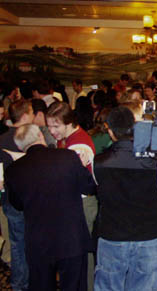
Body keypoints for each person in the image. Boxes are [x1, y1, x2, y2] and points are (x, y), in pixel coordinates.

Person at [5, 124, 96, 291]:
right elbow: (89, 188)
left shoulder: (13, 171)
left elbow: (17, 205)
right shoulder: (68, 157)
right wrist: (82, 167)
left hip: (38, 241)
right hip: (71, 238)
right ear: (41, 136)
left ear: (19, 146)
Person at [93, 106, 157, 291]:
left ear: (109, 130)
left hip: (113, 233)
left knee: (109, 286)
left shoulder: (99, 161)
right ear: (134, 127)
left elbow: (96, 189)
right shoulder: (153, 159)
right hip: (148, 232)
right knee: (145, 285)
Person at [46, 101, 97, 291]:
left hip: (82, 204)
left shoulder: (79, 145)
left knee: (83, 254)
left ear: (69, 123)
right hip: (74, 202)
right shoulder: (66, 138)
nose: (51, 131)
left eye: (55, 126)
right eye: (49, 126)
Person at [0, 99, 35, 291]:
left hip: (9, 201)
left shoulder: (1, 140)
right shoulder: (29, 140)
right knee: (26, 243)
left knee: (17, 243)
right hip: (29, 200)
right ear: (24, 116)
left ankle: (19, 283)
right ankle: (23, 282)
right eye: (31, 113)